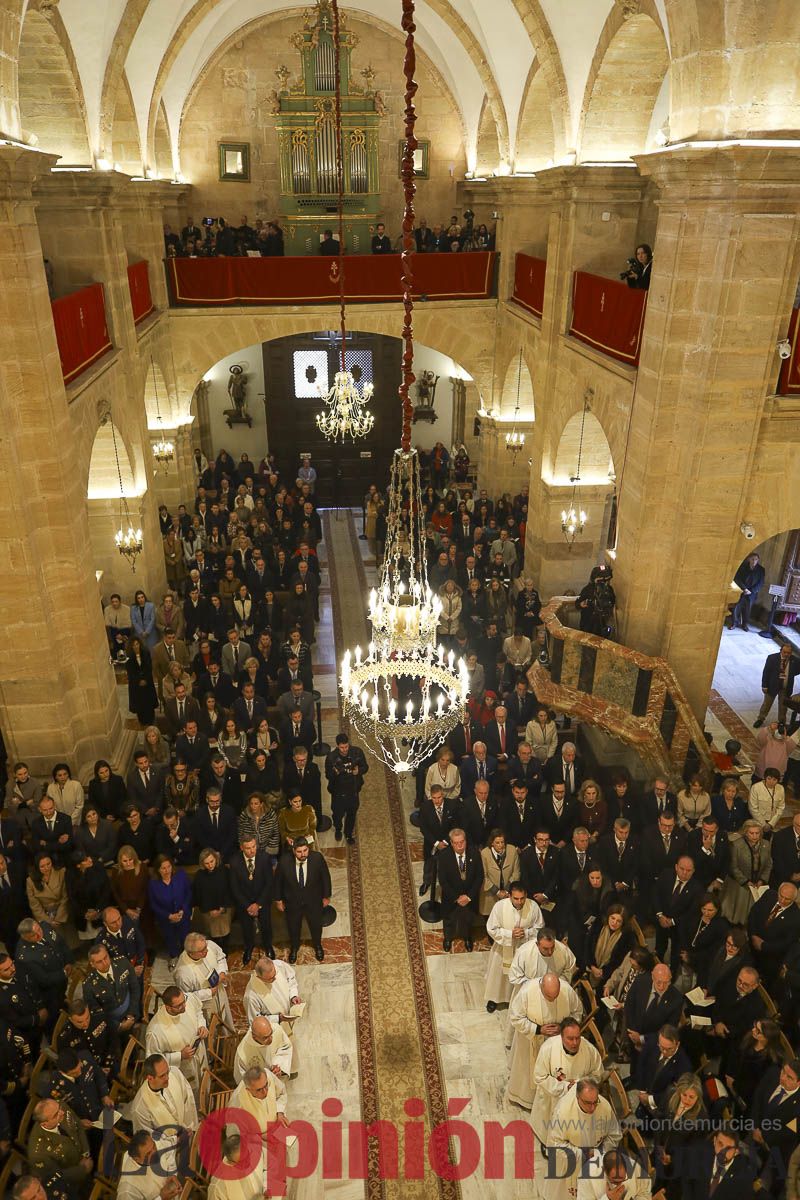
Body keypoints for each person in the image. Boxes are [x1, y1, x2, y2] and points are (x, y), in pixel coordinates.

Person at [506, 971, 583, 1110]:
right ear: (541, 988)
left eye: (556, 996)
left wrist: (563, 1028)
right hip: (532, 1042)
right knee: (529, 1072)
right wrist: (538, 1029)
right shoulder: (527, 992)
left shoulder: (567, 991)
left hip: (559, 1042)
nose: (552, 1000)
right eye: (548, 997)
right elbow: (515, 1017)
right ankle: (527, 1099)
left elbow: (577, 1012)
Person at [530, 1020, 603, 1150]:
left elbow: (597, 1074)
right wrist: (564, 1087)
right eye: (570, 1038)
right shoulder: (549, 1048)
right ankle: (548, 1142)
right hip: (553, 1098)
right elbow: (539, 1077)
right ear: (561, 1037)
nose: (575, 1043)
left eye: (577, 1038)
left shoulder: (589, 1050)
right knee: (551, 1128)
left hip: (579, 1099)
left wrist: (580, 1084)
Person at [483, 882, 543, 1011]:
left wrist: (525, 933)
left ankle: (514, 999)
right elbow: (491, 928)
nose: (519, 902)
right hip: (503, 948)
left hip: (524, 948)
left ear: (526, 895)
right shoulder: (499, 906)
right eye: (516, 898)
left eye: (522, 898)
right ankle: (494, 999)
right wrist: (510, 934)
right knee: (498, 975)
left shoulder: (533, 906)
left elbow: (539, 927)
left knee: (520, 974)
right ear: (509, 896)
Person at [274, 836, 332, 963]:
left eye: (305, 850)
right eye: (299, 851)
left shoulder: (317, 858)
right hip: (292, 902)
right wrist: (278, 900)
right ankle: (294, 947)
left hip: (313, 900)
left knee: (316, 925)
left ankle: (317, 945)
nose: (303, 854)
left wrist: (327, 896)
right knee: (293, 926)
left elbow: (325, 877)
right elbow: (278, 882)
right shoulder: (284, 861)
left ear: (308, 848)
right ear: (294, 850)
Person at [229, 835, 275, 965]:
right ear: (242, 848)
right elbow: (234, 887)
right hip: (245, 904)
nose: (252, 850)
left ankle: (268, 946)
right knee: (246, 928)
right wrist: (248, 905)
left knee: (266, 925)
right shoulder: (234, 862)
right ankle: (249, 948)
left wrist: (258, 904)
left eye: (254, 846)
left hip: (262, 901)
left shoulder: (264, 858)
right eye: (248, 848)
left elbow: (269, 883)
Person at [173, 931, 232, 1025]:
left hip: (219, 992)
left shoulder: (209, 945)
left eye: (205, 947)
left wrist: (222, 972)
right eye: (202, 951)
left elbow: (220, 957)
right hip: (204, 1004)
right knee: (212, 1026)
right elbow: (186, 996)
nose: (206, 951)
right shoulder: (183, 973)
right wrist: (208, 993)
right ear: (191, 953)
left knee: (225, 1019)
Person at [325, 734, 368, 845]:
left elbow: (365, 767)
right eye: (342, 747)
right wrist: (335, 772)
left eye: (346, 747)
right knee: (337, 814)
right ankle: (338, 829)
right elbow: (328, 776)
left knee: (352, 814)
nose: (344, 750)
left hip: (353, 791)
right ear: (337, 746)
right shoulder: (331, 757)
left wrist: (359, 771)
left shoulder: (357, 753)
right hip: (338, 793)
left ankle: (348, 834)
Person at [147, 856, 192, 962]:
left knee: (184, 938)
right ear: (158, 869)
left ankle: (187, 959)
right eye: (163, 868)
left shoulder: (180, 875)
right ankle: (174, 958)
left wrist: (182, 910)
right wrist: (169, 916)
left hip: (182, 915)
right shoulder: (153, 884)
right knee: (170, 939)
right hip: (165, 918)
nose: (167, 870)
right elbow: (153, 904)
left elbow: (188, 893)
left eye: (169, 867)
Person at [755, 642, 800, 726]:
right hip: (772, 686)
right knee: (766, 704)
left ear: (791, 653)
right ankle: (760, 719)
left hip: (785, 687)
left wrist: (791, 674)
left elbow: (797, 670)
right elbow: (766, 672)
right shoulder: (772, 658)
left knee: (783, 707)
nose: (786, 654)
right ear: (781, 651)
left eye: (788, 653)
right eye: (784, 652)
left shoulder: (795, 660)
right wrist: (764, 685)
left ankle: (782, 722)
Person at [575, 564, 616, 636]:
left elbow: (612, 602)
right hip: (588, 623)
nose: (604, 583)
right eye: (600, 581)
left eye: (606, 580)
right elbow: (577, 603)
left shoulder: (609, 590)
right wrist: (581, 604)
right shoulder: (588, 589)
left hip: (602, 624)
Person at [729, 551, 766, 631]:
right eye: (752, 559)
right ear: (749, 559)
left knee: (747, 609)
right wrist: (744, 589)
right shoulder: (742, 567)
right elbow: (737, 578)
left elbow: (761, 583)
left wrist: (751, 591)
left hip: (752, 593)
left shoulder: (761, 570)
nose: (754, 561)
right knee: (737, 607)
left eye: (756, 559)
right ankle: (734, 623)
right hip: (741, 590)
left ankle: (744, 625)